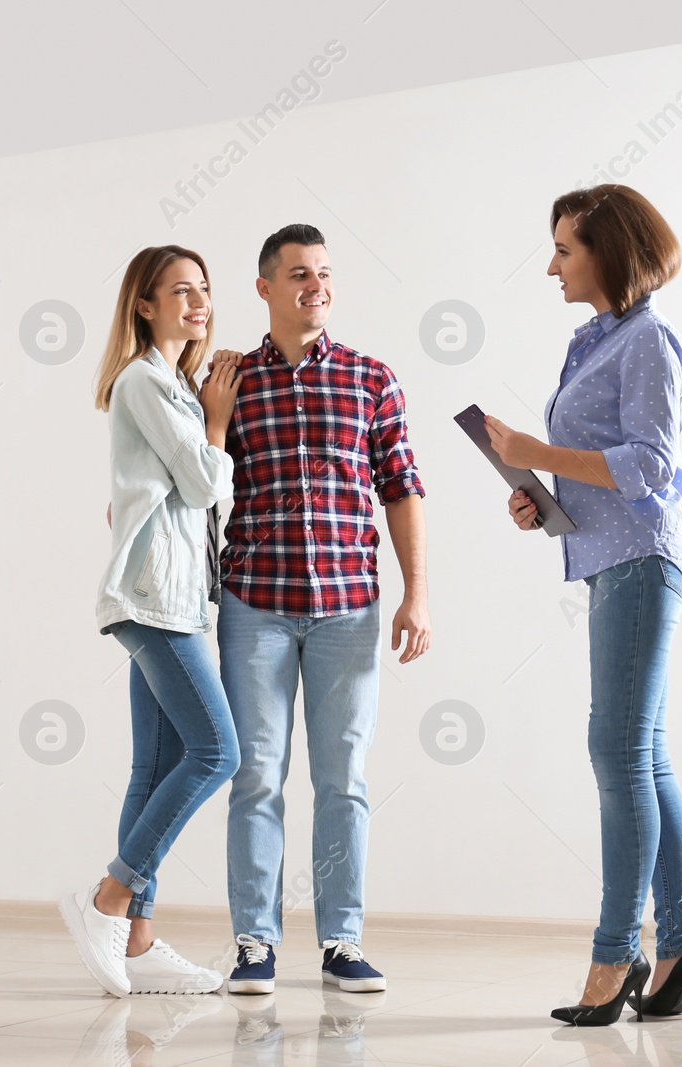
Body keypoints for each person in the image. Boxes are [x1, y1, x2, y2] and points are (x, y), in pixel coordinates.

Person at [486, 184, 682, 1026]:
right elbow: (600, 462)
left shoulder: (650, 340)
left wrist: (534, 449)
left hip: (644, 561)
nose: (551, 264)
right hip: (610, 556)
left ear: (609, 252)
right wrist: (540, 494)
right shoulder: (595, 341)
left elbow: (650, 465)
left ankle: (617, 952)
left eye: (565, 250)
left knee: (615, 751)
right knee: (642, 754)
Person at [209, 224, 430, 995]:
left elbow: (400, 488)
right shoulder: (230, 381)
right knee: (257, 777)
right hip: (255, 607)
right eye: (300, 273)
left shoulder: (373, 378)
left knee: (343, 780)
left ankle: (341, 940)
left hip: (348, 609)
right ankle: (254, 942)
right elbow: (196, 473)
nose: (318, 285)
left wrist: (418, 592)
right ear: (265, 287)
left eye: (326, 273)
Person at [60, 244, 244, 997]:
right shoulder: (145, 379)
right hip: (151, 601)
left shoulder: (171, 385)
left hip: (172, 600)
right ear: (145, 303)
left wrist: (200, 421)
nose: (199, 302)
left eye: (204, 289)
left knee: (159, 764)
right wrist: (219, 422)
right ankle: (107, 897)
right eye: (180, 291)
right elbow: (204, 486)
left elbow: (184, 497)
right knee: (218, 752)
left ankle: (136, 936)